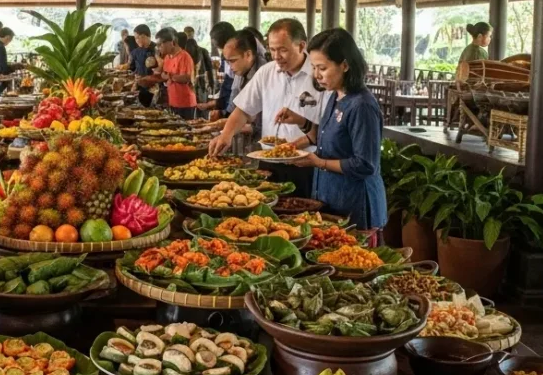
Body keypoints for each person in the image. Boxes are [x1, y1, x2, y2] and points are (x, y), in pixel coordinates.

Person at [207, 18, 330, 198]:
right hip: (268, 160)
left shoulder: (319, 74)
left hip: (305, 163)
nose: (276, 56)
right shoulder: (267, 72)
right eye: (272, 49)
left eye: (282, 50)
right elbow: (243, 110)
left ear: (301, 45)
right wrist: (226, 135)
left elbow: (324, 130)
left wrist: (289, 148)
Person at [286, 28, 387, 231]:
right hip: (331, 198)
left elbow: (365, 165)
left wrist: (319, 162)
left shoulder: (362, 105)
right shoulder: (335, 95)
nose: (316, 75)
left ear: (345, 65)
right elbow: (328, 137)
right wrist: (300, 128)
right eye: (314, 67)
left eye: (322, 68)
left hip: (355, 202)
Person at [156, 28, 197, 119]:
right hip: (173, 100)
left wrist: (169, 76)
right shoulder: (167, 57)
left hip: (185, 103)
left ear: (172, 42)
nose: (158, 48)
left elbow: (187, 78)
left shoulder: (184, 56)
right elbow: (165, 74)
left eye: (160, 44)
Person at [129, 24, 157, 107]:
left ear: (144, 36)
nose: (136, 41)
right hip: (140, 87)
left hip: (154, 87)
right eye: (135, 38)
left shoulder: (157, 49)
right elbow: (133, 68)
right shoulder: (135, 52)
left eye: (137, 38)